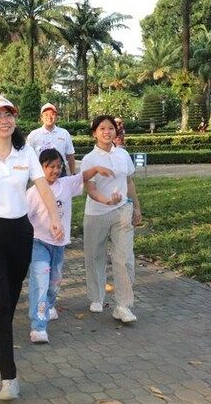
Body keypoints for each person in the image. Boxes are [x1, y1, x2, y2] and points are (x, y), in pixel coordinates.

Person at [0, 95, 63, 400]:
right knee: (0, 303)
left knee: (11, 297)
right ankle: (9, 377)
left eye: (9, 115)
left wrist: (55, 219)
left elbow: (43, 188)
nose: (4, 121)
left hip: (19, 233)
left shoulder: (26, 152)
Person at [26, 148, 118, 343]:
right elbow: (24, 221)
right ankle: (38, 327)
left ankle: (49, 305)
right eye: (50, 167)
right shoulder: (33, 193)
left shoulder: (66, 184)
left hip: (59, 245)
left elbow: (83, 176)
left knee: (54, 283)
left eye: (58, 166)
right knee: (40, 284)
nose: (55, 170)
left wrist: (97, 168)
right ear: (41, 168)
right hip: (38, 244)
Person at [81, 115, 142, 323]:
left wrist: (137, 207)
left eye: (110, 128)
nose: (107, 132)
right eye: (102, 128)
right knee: (94, 256)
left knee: (124, 258)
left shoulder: (123, 154)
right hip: (96, 213)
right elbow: (90, 189)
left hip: (122, 210)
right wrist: (106, 201)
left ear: (116, 131)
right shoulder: (89, 159)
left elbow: (129, 182)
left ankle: (123, 305)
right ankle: (96, 297)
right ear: (94, 133)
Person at [26, 103, 76, 176]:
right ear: (41, 117)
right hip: (40, 173)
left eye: (52, 114)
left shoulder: (64, 133)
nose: (49, 117)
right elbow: (27, 156)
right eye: (46, 114)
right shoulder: (33, 135)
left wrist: (73, 173)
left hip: (60, 173)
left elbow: (70, 155)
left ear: (56, 117)